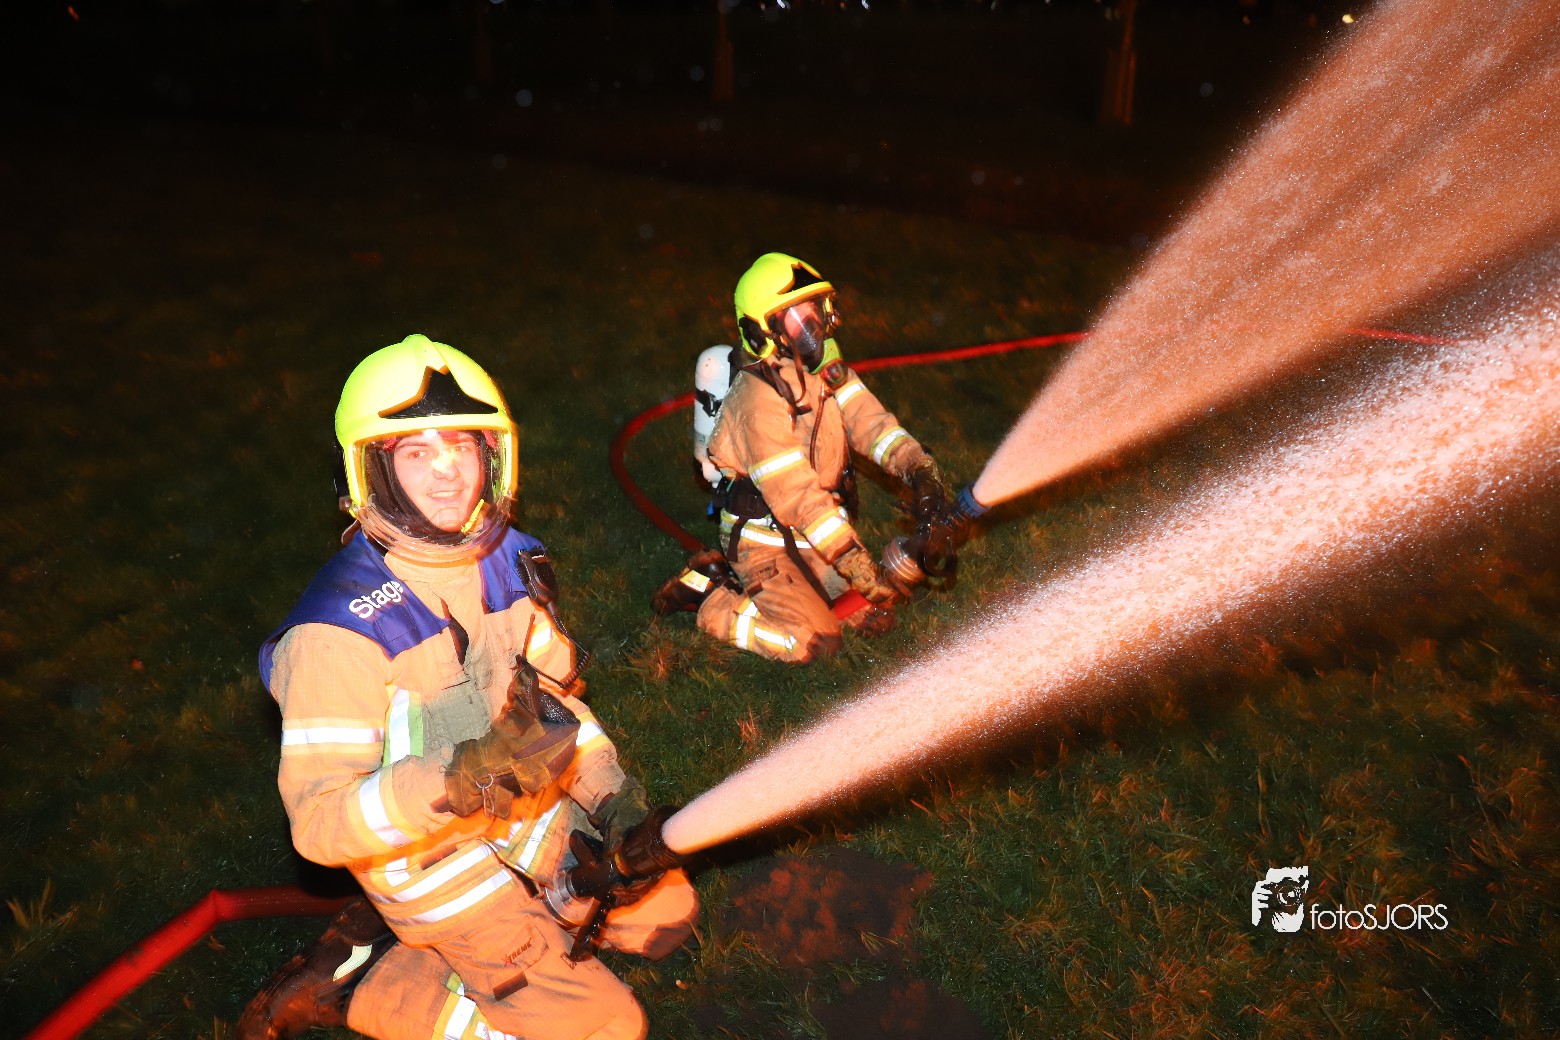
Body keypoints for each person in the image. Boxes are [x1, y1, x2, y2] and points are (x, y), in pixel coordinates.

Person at [241, 334, 696, 1040]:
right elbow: (319, 823)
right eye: (415, 452)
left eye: (462, 445)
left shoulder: (509, 562)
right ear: (370, 472)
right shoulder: (336, 634)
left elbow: (556, 706)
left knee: (669, 917)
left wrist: (612, 799)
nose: (449, 473)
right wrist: (458, 781)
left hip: (522, 811)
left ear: (493, 453)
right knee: (609, 1029)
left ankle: (530, 913)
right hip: (426, 859)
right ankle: (373, 982)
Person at [651, 253, 952, 664]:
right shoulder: (756, 401)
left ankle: (758, 582)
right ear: (761, 330)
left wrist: (919, 469)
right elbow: (797, 495)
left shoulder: (825, 368)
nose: (811, 326)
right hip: (765, 545)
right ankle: (712, 599)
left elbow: (871, 423)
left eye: (812, 309)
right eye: (794, 317)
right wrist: (851, 559)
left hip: (812, 537)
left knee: (875, 614)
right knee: (814, 642)